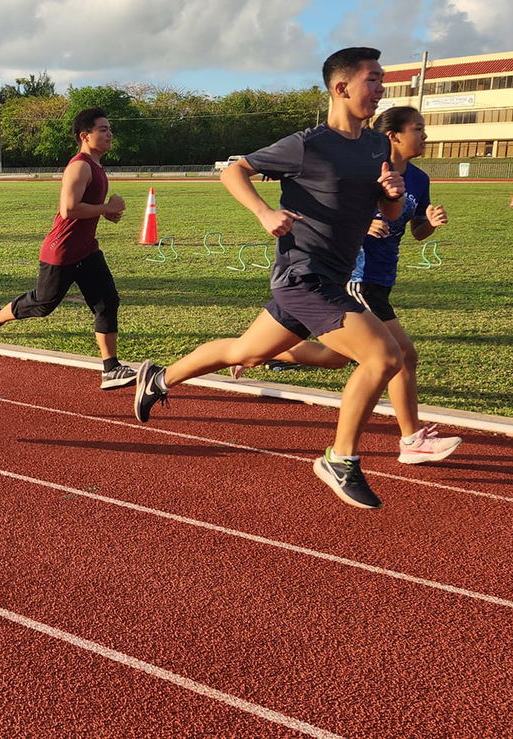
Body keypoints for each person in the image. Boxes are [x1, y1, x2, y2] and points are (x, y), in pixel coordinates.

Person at [132, 47, 406, 509]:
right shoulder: (307, 144)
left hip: (333, 277)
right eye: (373, 80)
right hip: (302, 276)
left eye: (382, 80)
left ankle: (159, 378)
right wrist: (263, 212)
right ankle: (340, 460)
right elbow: (234, 171)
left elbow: (388, 210)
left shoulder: (378, 146)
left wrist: (392, 197)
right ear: (342, 88)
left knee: (248, 351)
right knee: (383, 357)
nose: (381, 90)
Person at [237, 106, 460, 465]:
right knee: (402, 356)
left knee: (335, 359)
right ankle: (410, 439)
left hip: (384, 276)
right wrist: (364, 226)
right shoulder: (361, 166)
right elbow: (332, 209)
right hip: (355, 277)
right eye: (417, 128)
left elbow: (416, 230)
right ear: (393, 136)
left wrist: (431, 223)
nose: (425, 135)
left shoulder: (418, 178)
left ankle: (265, 351)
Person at [0, 107, 135, 389]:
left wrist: (104, 212)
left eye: (110, 128)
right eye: (103, 129)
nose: (109, 133)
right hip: (61, 251)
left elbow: (83, 208)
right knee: (43, 303)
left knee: (107, 301)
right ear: (84, 136)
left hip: (86, 251)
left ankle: (111, 368)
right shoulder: (80, 166)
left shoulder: (96, 167)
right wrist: (106, 208)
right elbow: (68, 209)